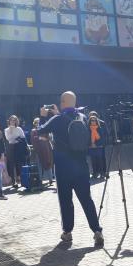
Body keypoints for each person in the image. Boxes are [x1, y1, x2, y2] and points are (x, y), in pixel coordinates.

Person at [38, 91, 104, 246]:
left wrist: (43, 116)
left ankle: (67, 232)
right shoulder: (83, 118)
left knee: (66, 201)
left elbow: (41, 130)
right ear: (75, 102)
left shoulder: (57, 119)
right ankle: (97, 231)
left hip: (63, 167)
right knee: (86, 200)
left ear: (62, 103)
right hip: (81, 165)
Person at [4, 115, 26, 187]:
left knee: (19, 164)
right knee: (11, 165)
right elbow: (8, 139)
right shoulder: (6, 130)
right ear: (9, 121)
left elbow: (23, 137)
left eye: (14, 120)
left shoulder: (19, 128)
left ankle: (20, 179)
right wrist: (11, 130)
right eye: (11, 120)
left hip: (18, 147)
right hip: (10, 148)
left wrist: (17, 139)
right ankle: (14, 181)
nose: (13, 122)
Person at [31, 117, 53, 183]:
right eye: (36, 122)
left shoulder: (44, 129)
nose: (38, 124)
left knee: (48, 163)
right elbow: (33, 139)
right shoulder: (33, 131)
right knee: (40, 164)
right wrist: (40, 138)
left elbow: (48, 138)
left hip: (46, 149)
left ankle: (50, 178)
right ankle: (41, 180)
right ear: (34, 123)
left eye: (39, 122)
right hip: (39, 149)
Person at [88, 113, 108, 180]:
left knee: (100, 160)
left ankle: (102, 173)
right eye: (92, 120)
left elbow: (102, 137)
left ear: (96, 121)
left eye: (94, 120)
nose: (93, 121)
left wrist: (96, 144)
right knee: (93, 161)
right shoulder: (88, 128)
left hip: (99, 146)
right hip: (91, 147)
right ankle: (95, 173)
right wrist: (90, 144)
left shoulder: (99, 128)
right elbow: (87, 137)